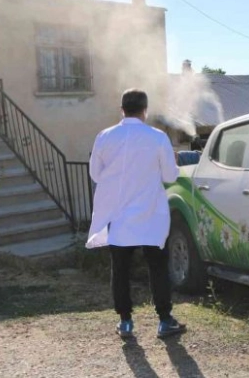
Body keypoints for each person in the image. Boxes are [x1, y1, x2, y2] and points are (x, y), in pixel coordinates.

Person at [86, 88, 186, 339]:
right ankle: (164, 320)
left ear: (122, 110)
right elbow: (169, 176)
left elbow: (96, 175)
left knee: (120, 270)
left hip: (119, 216)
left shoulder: (105, 136)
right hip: (151, 213)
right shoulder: (158, 137)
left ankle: (126, 322)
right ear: (145, 111)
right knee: (157, 267)